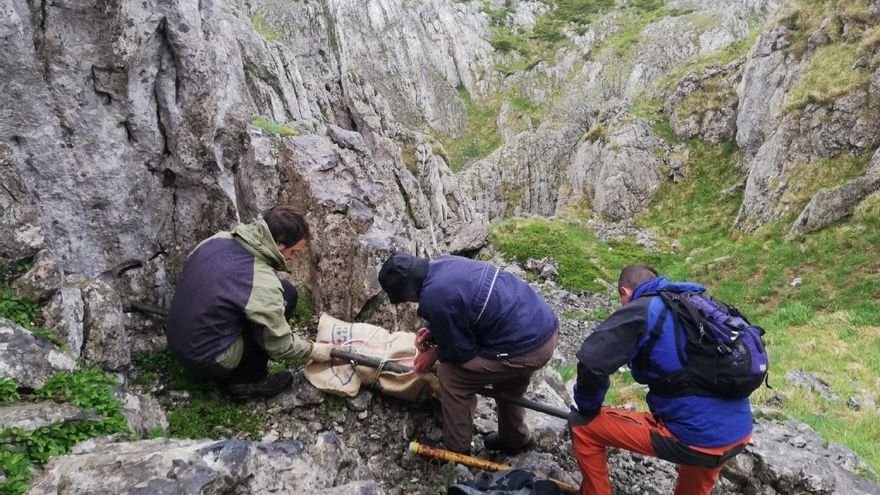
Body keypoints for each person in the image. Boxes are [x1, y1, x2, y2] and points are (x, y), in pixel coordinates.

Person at [569, 264, 753, 495]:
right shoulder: (694, 304)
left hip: (697, 436)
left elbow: (592, 362)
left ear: (625, 293)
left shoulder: (644, 309)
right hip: (739, 431)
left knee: (583, 425)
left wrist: (587, 406)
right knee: (701, 446)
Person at [378, 252, 559, 454]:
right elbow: (464, 306)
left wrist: (433, 354)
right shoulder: (443, 263)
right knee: (508, 384)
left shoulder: (435, 298)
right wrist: (435, 329)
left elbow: (460, 352)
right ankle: (515, 439)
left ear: (408, 292)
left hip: (525, 347)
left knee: (452, 377)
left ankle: (457, 449)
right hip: (540, 327)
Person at [165, 207, 334, 399]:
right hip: (207, 358)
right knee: (286, 296)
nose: (291, 258)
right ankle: (248, 381)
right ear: (279, 244)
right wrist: (313, 349)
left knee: (280, 292)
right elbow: (279, 344)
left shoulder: (218, 239)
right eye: (293, 252)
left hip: (179, 341)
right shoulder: (261, 281)